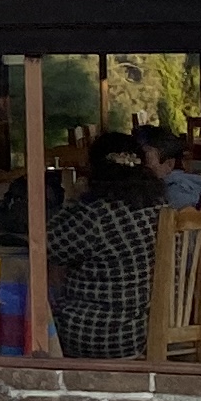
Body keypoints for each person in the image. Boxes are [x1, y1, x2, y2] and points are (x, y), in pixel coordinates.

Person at [48, 133, 166, 360]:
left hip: (103, 332)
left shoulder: (97, 214)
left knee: (31, 312)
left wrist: (72, 198)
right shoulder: (160, 206)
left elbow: (46, 245)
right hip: (150, 326)